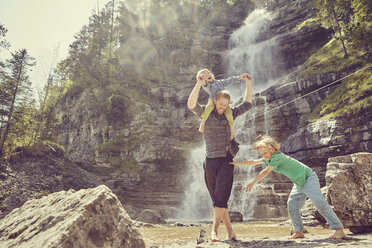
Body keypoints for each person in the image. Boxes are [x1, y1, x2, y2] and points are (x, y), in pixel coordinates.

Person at [231, 135, 346, 240]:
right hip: (298, 182)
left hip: (308, 178)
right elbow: (253, 162)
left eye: (265, 152)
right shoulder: (269, 158)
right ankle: (299, 231)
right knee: (292, 205)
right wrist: (237, 163)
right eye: (261, 154)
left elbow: (265, 172)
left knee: (319, 202)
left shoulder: (277, 157)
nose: (263, 155)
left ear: (272, 148)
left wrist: (252, 183)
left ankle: (339, 230)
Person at [187, 69, 253, 242]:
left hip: (226, 160)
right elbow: (191, 104)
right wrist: (198, 83)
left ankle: (214, 230)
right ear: (214, 102)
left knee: (221, 196)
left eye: (226, 104)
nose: (222, 107)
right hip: (209, 161)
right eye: (220, 104)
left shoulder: (231, 113)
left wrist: (248, 84)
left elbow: (248, 103)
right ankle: (230, 230)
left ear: (228, 103)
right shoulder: (206, 114)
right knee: (217, 199)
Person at [197, 69, 246, 141]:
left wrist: (240, 77)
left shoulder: (220, 82)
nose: (207, 75)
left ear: (212, 75)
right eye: (204, 75)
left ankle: (232, 132)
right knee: (207, 109)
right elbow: (205, 84)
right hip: (213, 101)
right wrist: (202, 79)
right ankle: (202, 123)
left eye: (208, 73)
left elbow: (229, 80)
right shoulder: (208, 86)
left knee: (230, 115)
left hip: (224, 102)